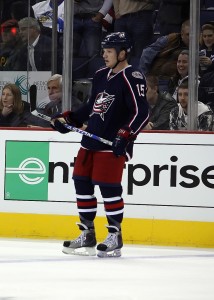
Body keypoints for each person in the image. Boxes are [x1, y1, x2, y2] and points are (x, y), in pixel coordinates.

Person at [51, 32, 149, 257]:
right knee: (81, 183)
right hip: (90, 141)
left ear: (123, 53)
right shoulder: (100, 74)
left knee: (109, 188)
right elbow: (91, 107)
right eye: (103, 51)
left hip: (111, 144)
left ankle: (115, 235)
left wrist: (126, 134)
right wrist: (70, 119)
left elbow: (142, 112)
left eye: (109, 51)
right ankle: (88, 233)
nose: (104, 55)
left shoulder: (132, 76)